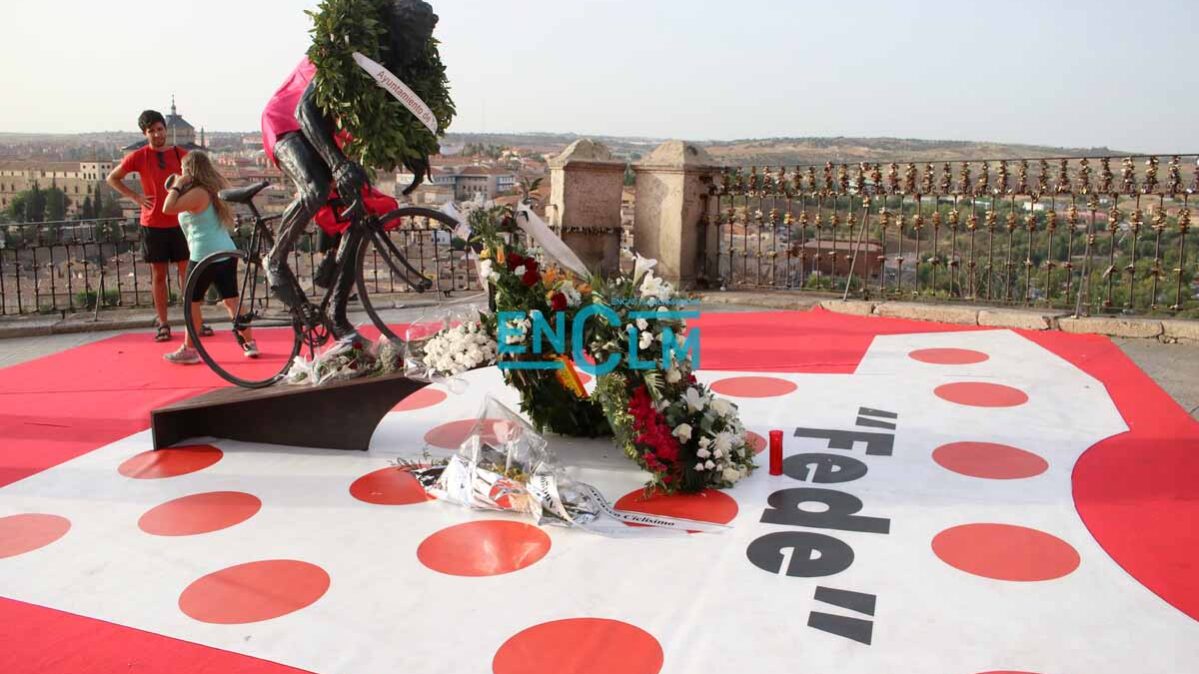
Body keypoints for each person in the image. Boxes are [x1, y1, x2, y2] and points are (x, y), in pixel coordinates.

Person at [259, 0, 438, 342]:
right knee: (316, 185)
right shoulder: (348, 51)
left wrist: (413, 153)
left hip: (326, 133)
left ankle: (336, 314)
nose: (413, 47)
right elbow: (305, 110)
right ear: (391, 28)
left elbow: (383, 123)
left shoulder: (393, 62)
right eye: (409, 37)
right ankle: (275, 260)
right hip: (288, 122)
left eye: (419, 40)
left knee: (362, 215)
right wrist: (339, 165)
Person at [107, 110, 211, 342]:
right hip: (152, 223)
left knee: (188, 275)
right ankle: (163, 323)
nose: (157, 134)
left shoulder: (181, 154)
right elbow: (112, 178)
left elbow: (202, 177)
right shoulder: (139, 156)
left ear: (166, 129)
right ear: (145, 134)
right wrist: (136, 198)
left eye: (160, 129)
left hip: (181, 223)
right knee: (159, 276)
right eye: (151, 131)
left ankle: (195, 322)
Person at [160, 152, 258, 364]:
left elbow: (167, 208)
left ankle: (190, 349)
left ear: (191, 170)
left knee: (191, 302)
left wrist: (178, 185)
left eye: (184, 169)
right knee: (231, 300)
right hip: (225, 252)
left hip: (203, 255)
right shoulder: (210, 191)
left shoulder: (198, 193)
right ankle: (249, 344)